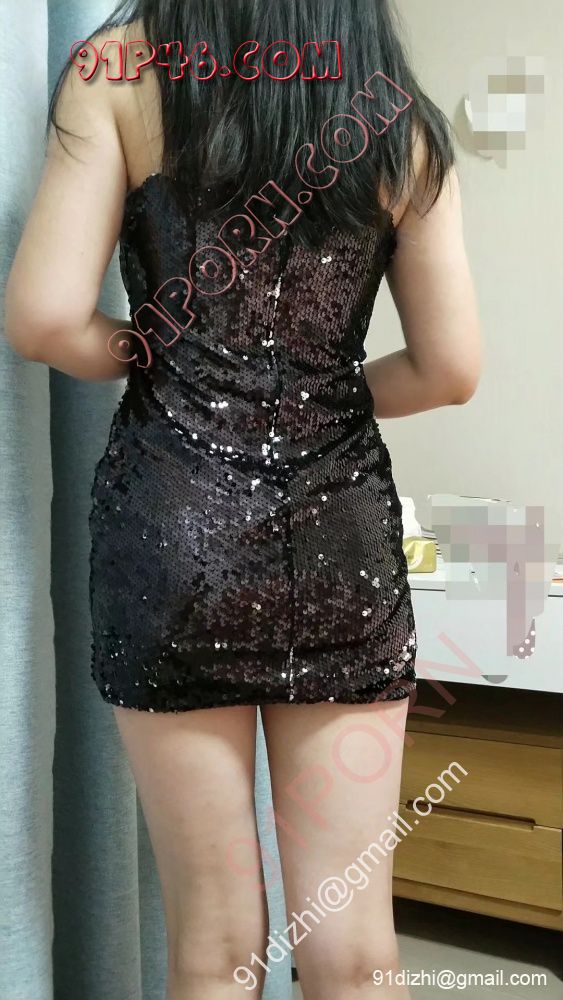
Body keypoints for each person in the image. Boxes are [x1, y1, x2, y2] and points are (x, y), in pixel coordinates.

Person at [5, 2, 481, 997]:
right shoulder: (393, 112)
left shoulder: (119, 70)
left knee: (214, 946)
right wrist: (319, 394)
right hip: (339, 532)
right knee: (355, 952)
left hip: (172, 527)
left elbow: (44, 316)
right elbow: (449, 369)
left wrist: (162, 361)